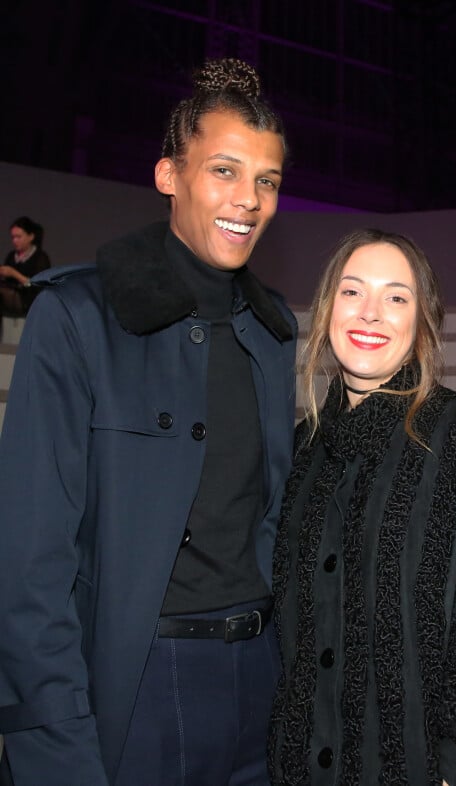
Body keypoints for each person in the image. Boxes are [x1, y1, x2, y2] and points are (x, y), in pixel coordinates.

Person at [0, 58, 297, 786]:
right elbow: (29, 563)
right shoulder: (77, 317)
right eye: (224, 171)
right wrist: (57, 746)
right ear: (169, 175)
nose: (249, 199)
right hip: (138, 688)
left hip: (265, 683)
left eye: (267, 180)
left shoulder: (274, 331)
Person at [269, 228, 456, 786]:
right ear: (325, 311)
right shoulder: (298, 457)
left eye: (395, 297)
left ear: (422, 323)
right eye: (351, 292)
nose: (370, 314)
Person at [0, 216, 50, 317]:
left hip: (29, 301)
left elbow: (38, 286)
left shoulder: (40, 257)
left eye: (18, 237)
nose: (15, 241)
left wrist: (14, 273)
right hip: (9, 299)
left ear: (31, 236)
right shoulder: (11, 256)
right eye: (13, 237)